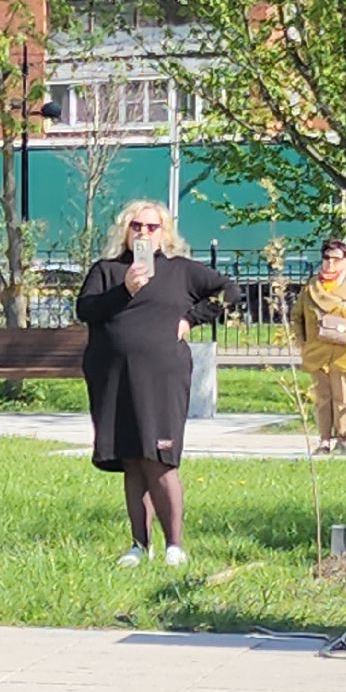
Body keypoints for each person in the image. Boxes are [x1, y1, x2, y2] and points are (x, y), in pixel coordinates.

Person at [76, 200, 230, 568]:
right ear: (125, 231)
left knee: (159, 458)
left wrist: (193, 318)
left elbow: (228, 291)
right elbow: (86, 310)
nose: (143, 233)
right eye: (136, 227)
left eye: (151, 227)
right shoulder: (107, 270)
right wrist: (125, 289)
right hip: (113, 376)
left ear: (165, 233)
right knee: (131, 460)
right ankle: (138, 545)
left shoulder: (182, 271)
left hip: (162, 377)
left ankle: (174, 545)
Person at [292, 239, 346, 455]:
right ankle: (324, 440)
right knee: (323, 399)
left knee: (343, 398)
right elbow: (297, 316)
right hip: (317, 351)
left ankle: (341, 440)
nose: (330, 264)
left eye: (336, 259)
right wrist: (301, 342)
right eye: (326, 258)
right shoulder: (312, 285)